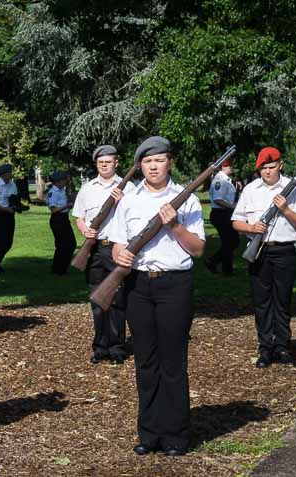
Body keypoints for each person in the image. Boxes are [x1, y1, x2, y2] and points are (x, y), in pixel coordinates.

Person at [109, 136, 205, 456]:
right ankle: (149, 433)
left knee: (173, 362)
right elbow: (117, 243)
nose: (153, 166)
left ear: (170, 162)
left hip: (174, 285)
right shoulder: (130, 200)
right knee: (146, 362)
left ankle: (176, 435)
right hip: (138, 286)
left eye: (159, 160)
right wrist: (120, 255)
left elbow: (198, 248)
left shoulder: (186, 198)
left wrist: (175, 226)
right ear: (140, 166)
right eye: (148, 162)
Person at [231, 147, 296, 368]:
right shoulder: (250, 190)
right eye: (263, 168)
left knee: (282, 300)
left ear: (280, 165)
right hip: (259, 251)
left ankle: (283, 346)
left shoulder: (292, 189)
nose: (267, 171)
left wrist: (285, 209)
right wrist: (251, 227)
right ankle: (265, 347)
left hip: (284, 250)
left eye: (271, 166)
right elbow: (235, 222)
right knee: (262, 301)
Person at [72, 145, 135, 364]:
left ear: (116, 163)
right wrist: (84, 230)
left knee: (117, 299)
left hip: (116, 247)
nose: (104, 165)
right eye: (100, 162)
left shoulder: (128, 188)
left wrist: (121, 201)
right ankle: (100, 346)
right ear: (96, 164)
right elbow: (79, 216)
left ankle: (117, 347)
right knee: (97, 300)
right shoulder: (88, 188)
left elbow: (135, 217)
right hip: (94, 248)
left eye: (108, 162)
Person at [205, 158, 239, 275]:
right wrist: (232, 206)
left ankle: (218, 264)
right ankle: (222, 267)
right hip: (221, 214)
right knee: (230, 242)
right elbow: (218, 199)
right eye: (230, 165)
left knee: (231, 242)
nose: (232, 167)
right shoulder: (221, 180)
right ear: (224, 167)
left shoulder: (225, 179)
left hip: (224, 213)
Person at [0, 163, 20, 273]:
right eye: (8, 173)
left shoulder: (12, 185)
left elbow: (14, 199)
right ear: (2, 174)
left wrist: (17, 207)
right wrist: (6, 209)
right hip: (0, 214)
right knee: (2, 241)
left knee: (9, 242)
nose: (10, 175)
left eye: (10, 172)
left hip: (10, 215)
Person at [45, 170, 76, 275]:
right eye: (63, 180)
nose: (65, 182)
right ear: (57, 181)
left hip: (64, 218)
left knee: (70, 244)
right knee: (63, 245)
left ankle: (62, 268)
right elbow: (53, 209)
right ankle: (58, 269)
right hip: (58, 219)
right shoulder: (53, 192)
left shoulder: (61, 190)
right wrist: (67, 206)